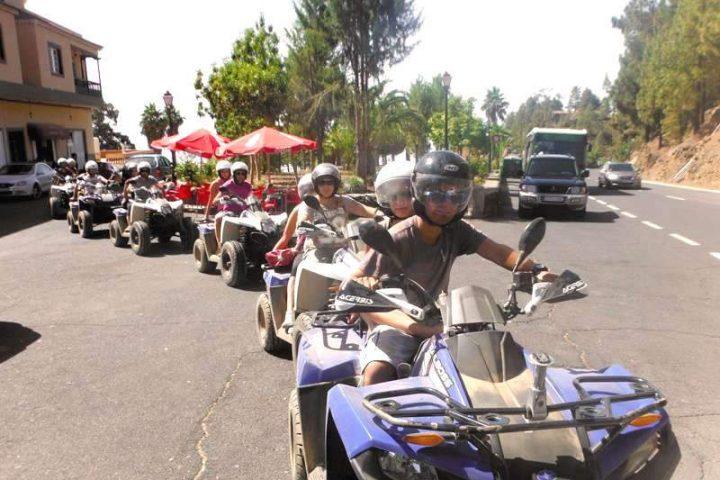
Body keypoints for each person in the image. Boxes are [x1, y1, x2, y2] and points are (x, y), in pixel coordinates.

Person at [353, 151, 559, 386]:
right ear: (419, 193)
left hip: (440, 321)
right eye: (436, 195)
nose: (446, 205)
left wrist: (537, 270)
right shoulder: (397, 237)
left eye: (455, 196)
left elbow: (500, 253)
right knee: (376, 374)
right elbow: (356, 283)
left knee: (486, 372)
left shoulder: (457, 231)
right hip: (397, 323)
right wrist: (364, 283)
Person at [281, 163, 378, 330]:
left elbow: (368, 211)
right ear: (316, 185)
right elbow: (302, 223)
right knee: (301, 273)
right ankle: (290, 313)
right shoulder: (309, 204)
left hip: (342, 250)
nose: (326, 187)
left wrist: (386, 213)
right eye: (322, 183)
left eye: (330, 182)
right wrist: (312, 227)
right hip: (316, 251)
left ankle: (363, 312)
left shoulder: (344, 201)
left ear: (336, 184)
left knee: (363, 272)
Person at [210, 161, 252, 247]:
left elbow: (251, 197)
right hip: (229, 212)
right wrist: (222, 198)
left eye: (243, 174)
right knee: (218, 218)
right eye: (238, 173)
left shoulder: (248, 185)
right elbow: (214, 201)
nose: (240, 176)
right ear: (234, 174)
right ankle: (220, 244)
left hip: (244, 212)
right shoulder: (228, 184)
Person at [272, 173, 314, 251]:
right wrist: (273, 255)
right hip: (305, 254)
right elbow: (285, 238)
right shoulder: (299, 209)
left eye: (315, 190)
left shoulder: (334, 208)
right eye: (309, 190)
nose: (313, 194)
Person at [374, 160, 414, 228]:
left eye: (407, 194)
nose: (399, 202)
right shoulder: (381, 229)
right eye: (392, 196)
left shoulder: (432, 228)